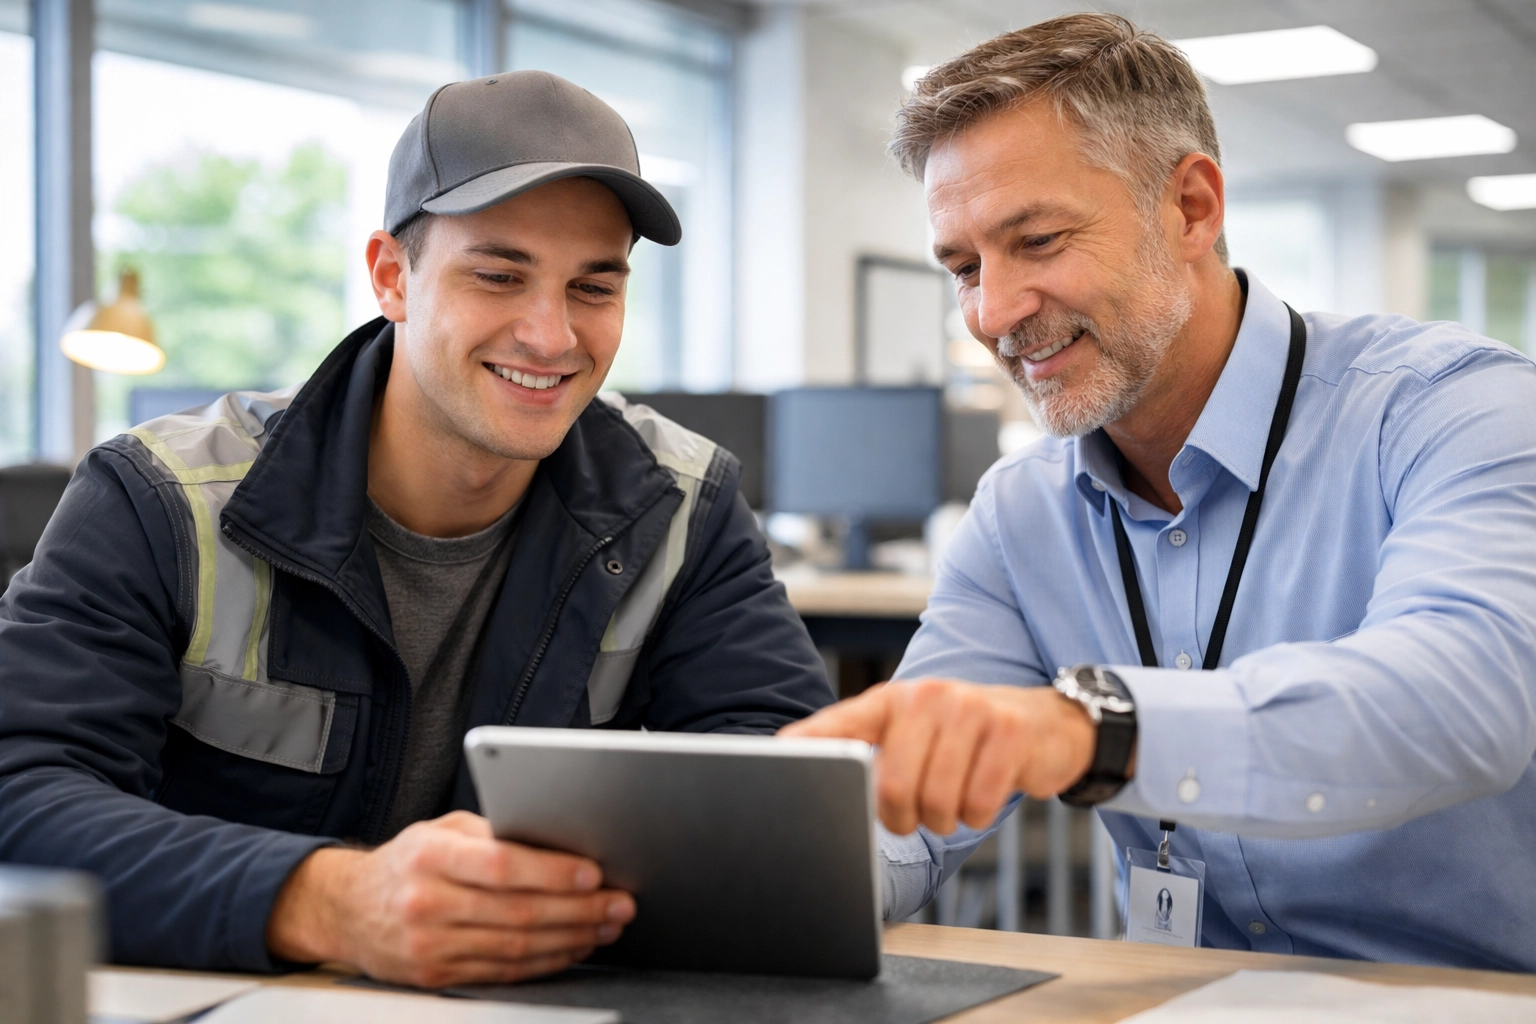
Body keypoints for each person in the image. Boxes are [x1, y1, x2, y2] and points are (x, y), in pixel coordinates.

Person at [0, 71, 834, 987]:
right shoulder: (162, 499)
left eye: (593, 287)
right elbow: (20, 796)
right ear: (392, 277)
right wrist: (330, 901)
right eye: (498, 275)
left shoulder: (682, 507)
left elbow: (795, 823)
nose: (552, 336)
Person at [786, 13, 1536, 972]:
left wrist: (1089, 729)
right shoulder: (1021, 512)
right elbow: (905, 821)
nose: (992, 314)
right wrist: (722, 880)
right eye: (964, 268)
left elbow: (1459, 703)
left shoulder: (1451, 409)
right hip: (1176, 999)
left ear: (1190, 207)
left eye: (1040, 241)